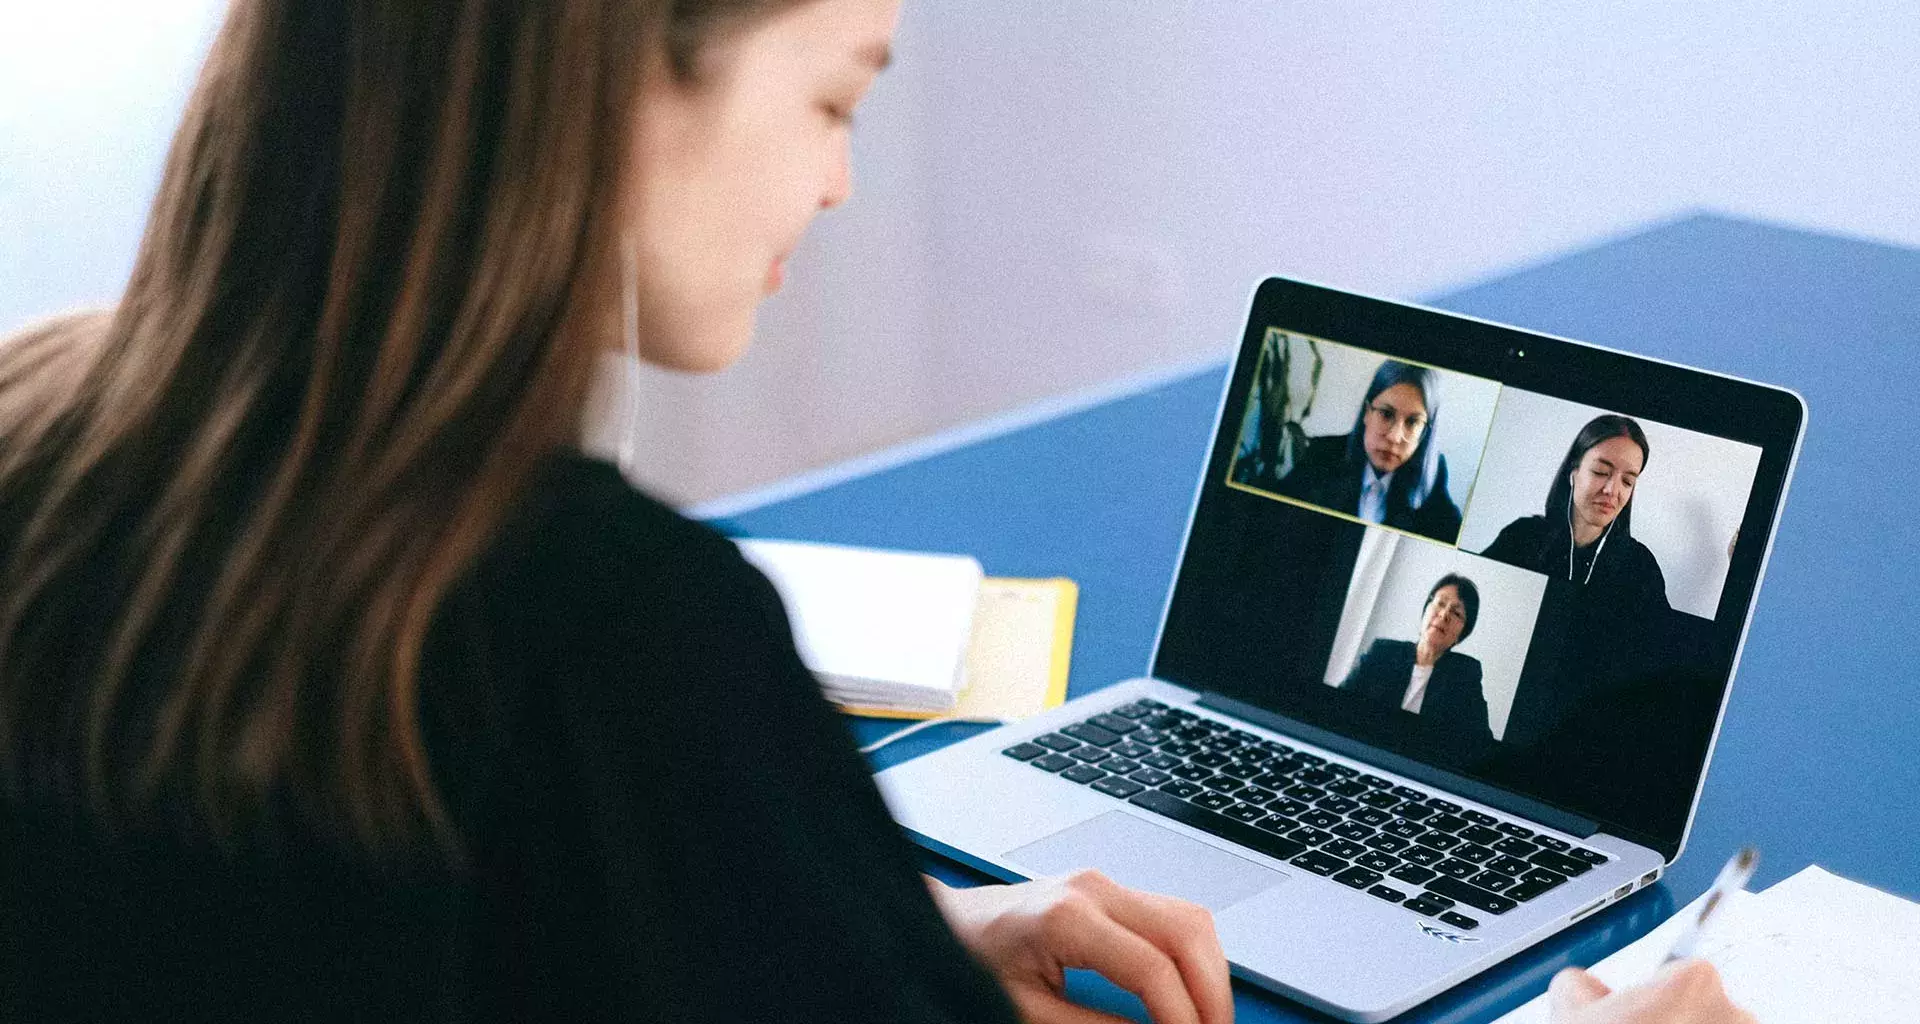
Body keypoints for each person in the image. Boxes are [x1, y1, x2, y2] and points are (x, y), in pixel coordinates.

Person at [0, 2, 1750, 1022]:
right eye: (836, 90)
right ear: (612, 77)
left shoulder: (43, 422)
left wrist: (884, 930)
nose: (840, 173)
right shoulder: (613, 632)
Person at [1479, 414, 1669, 614]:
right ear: (1573, 473)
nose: (1612, 490)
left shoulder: (1640, 567)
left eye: (1627, 481)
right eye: (1600, 472)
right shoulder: (1521, 537)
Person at [1273, 360, 1464, 543]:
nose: (1394, 437)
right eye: (1386, 414)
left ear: (1425, 433)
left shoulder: (1433, 478)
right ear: (1367, 412)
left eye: (1413, 422)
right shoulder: (1323, 454)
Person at [1339, 574, 1495, 754]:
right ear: (1425, 610)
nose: (1444, 615)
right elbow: (1340, 703)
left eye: (1457, 613)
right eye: (1440, 603)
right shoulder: (1382, 652)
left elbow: (1481, 744)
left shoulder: (1464, 675)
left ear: (1461, 635)